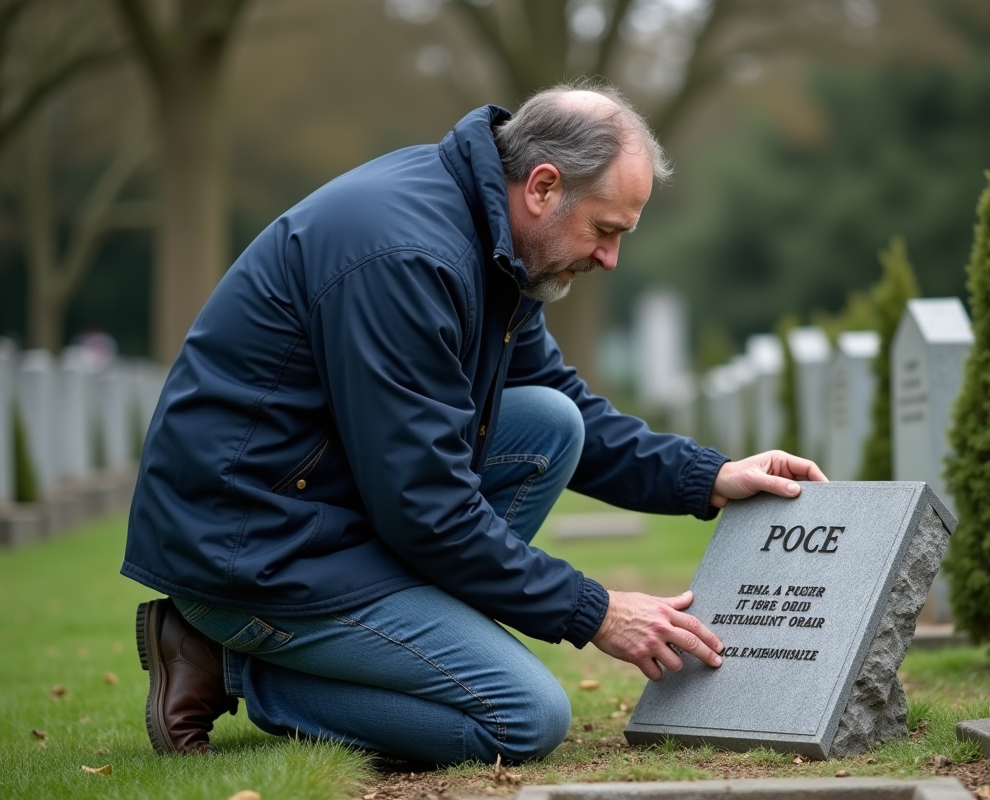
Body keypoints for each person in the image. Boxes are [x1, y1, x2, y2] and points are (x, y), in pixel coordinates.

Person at [123, 82, 826, 764]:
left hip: (329, 511)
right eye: (605, 230)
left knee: (548, 425)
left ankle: (384, 645)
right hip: (252, 548)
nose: (611, 258)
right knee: (523, 717)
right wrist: (598, 612)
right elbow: (425, 506)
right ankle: (229, 663)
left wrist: (708, 477)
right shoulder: (408, 258)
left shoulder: (494, 242)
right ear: (543, 187)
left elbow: (560, 399)